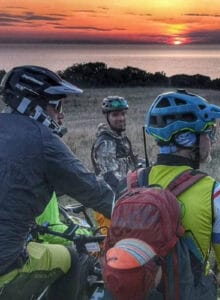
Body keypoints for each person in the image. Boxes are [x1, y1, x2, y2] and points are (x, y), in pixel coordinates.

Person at [0, 65, 114, 300]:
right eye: (56, 106)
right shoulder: (44, 141)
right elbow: (94, 192)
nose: (60, 114)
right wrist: (133, 211)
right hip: (4, 262)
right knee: (73, 258)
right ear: (31, 105)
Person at [143, 89, 220, 299]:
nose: (212, 140)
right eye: (209, 131)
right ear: (187, 138)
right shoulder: (214, 193)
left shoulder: (131, 183)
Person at [91, 96, 140, 232]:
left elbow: (132, 161)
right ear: (107, 116)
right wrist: (133, 191)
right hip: (109, 203)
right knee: (111, 245)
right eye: (115, 115)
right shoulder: (106, 142)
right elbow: (110, 177)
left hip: (123, 200)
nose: (121, 118)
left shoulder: (120, 138)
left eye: (123, 114)